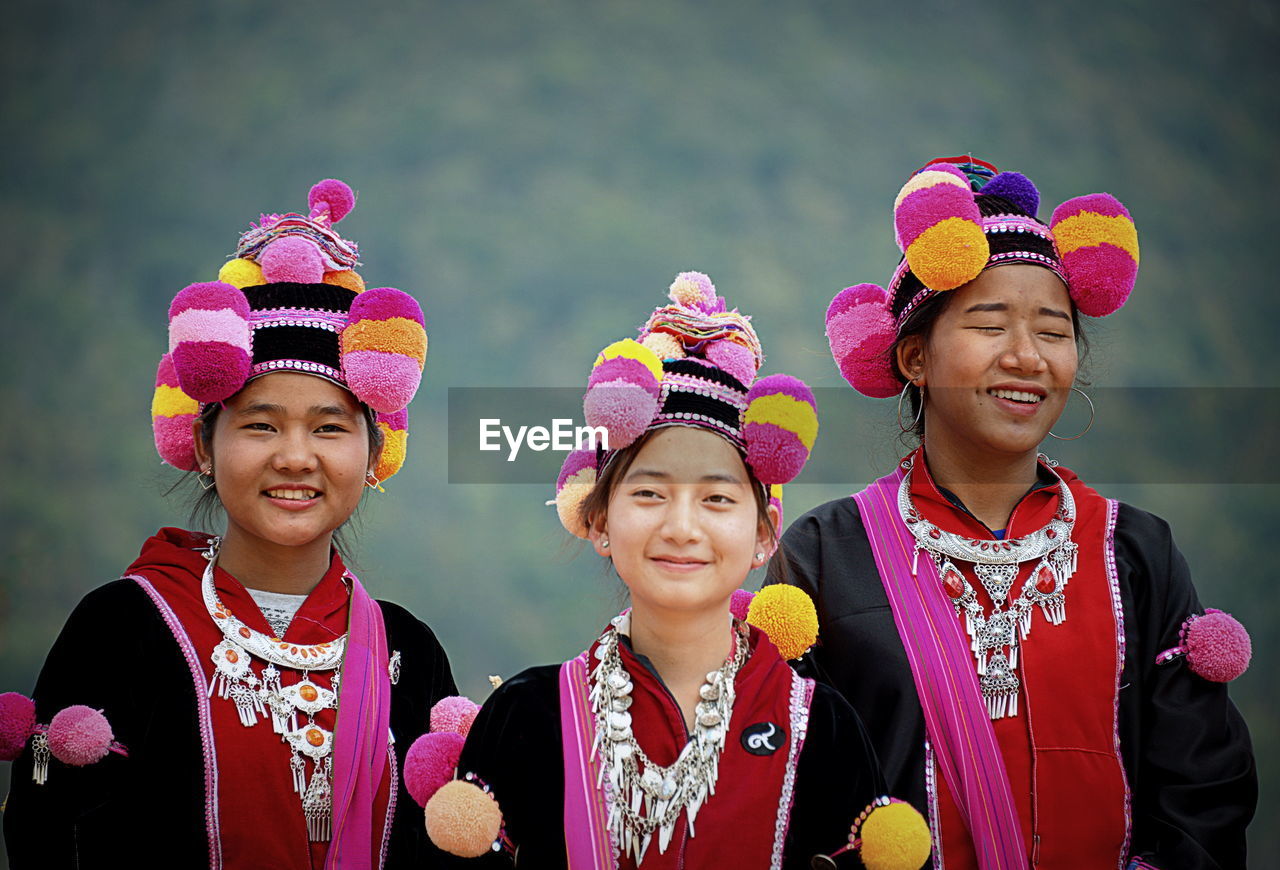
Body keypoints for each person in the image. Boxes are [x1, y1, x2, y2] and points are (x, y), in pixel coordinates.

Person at [769, 157, 1257, 869]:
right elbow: (789, 796)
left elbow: (1203, 794)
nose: (1026, 356)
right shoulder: (826, 556)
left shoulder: (1136, 553)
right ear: (914, 358)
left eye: (1053, 332)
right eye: (990, 325)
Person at [2, 180, 457, 869]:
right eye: (261, 425)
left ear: (374, 455)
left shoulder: (410, 653)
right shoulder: (122, 629)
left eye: (330, 427)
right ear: (205, 447)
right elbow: (47, 838)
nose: (295, 456)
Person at [417, 272, 931, 869]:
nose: (682, 527)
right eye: (650, 494)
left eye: (716, 499)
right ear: (599, 521)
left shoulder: (822, 724)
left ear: (763, 535)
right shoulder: (530, 717)